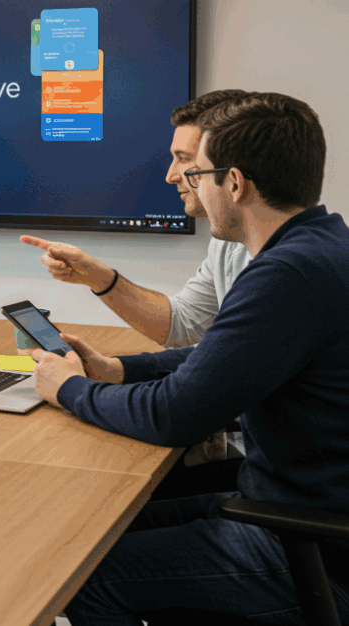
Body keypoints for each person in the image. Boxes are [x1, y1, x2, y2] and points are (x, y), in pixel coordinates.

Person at [29, 93, 349, 623]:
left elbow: (175, 415)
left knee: (79, 578)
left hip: (307, 542)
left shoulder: (286, 276)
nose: (185, 182)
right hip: (292, 507)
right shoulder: (320, 246)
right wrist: (118, 370)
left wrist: (68, 390)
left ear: (235, 183)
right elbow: (219, 359)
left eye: (196, 172)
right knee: (99, 530)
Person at [20, 88, 252, 348]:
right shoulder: (227, 239)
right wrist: (98, 277)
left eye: (184, 159)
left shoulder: (286, 262)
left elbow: (234, 362)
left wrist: (86, 387)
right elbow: (185, 326)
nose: (171, 175)